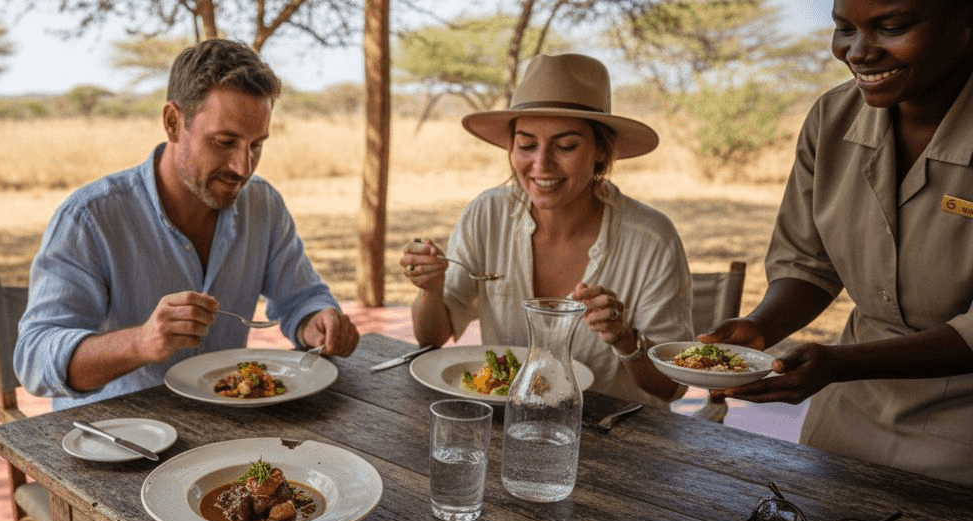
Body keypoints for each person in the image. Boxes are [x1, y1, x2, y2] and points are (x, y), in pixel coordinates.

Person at [14, 39, 355, 521]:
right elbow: (34, 357)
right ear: (173, 122)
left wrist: (318, 320)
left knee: (328, 501)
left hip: (233, 424)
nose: (243, 167)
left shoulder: (261, 205)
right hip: (116, 441)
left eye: (257, 145)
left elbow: (299, 295)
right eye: (224, 142)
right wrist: (138, 342)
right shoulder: (93, 217)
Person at [702, 0, 973, 487]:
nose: (857, 51)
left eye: (891, 27)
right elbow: (808, 263)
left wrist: (843, 363)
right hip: (848, 418)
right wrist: (761, 329)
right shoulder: (833, 116)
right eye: (844, 28)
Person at [400, 53, 693, 408]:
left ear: (602, 150)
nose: (541, 164)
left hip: (615, 434)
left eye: (566, 145)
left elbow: (671, 387)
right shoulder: (486, 214)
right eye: (526, 145)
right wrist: (430, 290)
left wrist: (624, 338)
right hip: (507, 423)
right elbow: (432, 336)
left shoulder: (651, 239)